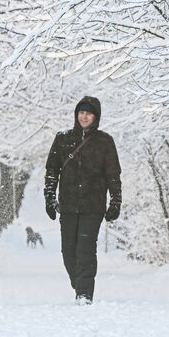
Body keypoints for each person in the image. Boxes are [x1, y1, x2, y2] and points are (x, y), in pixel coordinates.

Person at [44, 96, 121, 304]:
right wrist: (49, 198)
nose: (84, 116)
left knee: (85, 249)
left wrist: (115, 202)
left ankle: (84, 294)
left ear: (95, 117)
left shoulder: (105, 141)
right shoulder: (62, 139)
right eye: (81, 112)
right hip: (68, 205)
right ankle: (79, 285)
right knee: (68, 251)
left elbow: (113, 175)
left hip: (92, 206)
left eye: (88, 113)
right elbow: (52, 170)